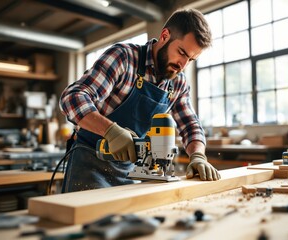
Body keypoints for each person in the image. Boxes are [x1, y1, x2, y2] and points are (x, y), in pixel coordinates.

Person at [59, 8, 221, 193]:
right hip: (89, 164)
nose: (183, 65)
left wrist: (198, 156)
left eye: (191, 59)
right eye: (182, 52)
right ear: (165, 36)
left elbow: (190, 125)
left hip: (130, 172)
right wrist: (110, 132)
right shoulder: (124, 57)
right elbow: (73, 97)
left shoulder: (178, 83)